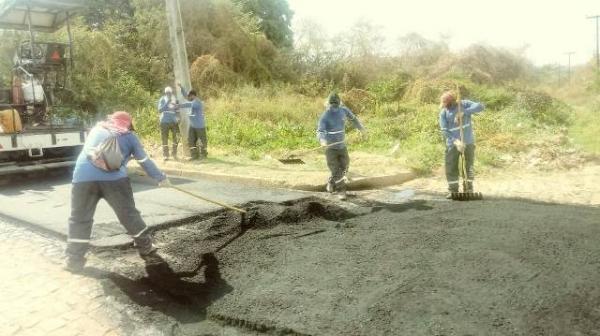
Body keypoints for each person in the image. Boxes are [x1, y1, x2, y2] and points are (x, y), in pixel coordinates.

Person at [65, 111, 171, 273]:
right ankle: (145, 247)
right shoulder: (129, 136)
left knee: (79, 219)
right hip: (114, 181)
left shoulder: (96, 129)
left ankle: (74, 261)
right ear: (128, 125)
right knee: (128, 214)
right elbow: (144, 160)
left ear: (111, 120)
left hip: (82, 178)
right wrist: (160, 178)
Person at [316, 92, 367, 200]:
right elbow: (320, 131)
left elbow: (354, 119)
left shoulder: (344, 110)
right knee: (336, 171)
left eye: (336, 105)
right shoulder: (325, 116)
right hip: (331, 149)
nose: (334, 107)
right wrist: (323, 141)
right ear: (328, 104)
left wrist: (361, 129)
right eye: (332, 105)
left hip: (342, 146)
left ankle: (331, 182)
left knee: (345, 166)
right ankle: (341, 191)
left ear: (339, 104)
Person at [438, 91, 485, 198]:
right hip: (453, 144)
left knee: (469, 166)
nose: (445, 106)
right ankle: (453, 190)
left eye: (446, 103)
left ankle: (469, 188)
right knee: (451, 166)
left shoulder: (464, 104)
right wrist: (456, 141)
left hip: (468, 142)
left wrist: (465, 112)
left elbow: (481, 106)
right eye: (443, 104)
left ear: (452, 101)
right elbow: (444, 130)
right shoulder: (444, 113)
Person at [177, 83, 207, 160]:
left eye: (190, 97)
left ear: (193, 96)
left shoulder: (197, 102)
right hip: (192, 125)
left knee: (202, 141)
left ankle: (203, 155)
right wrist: (181, 87)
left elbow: (188, 104)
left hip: (199, 125)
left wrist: (179, 106)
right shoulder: (192, 99)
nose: (188, 98)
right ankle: (194, 156)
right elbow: (186, 96)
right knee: (191, 140)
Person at [157, 86, 180, 161]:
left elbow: (177, 110)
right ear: (165, 93)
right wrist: (167, 102)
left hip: (174, 121)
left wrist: (178, 118)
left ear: (171, 92)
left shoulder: (175, 99)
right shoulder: (162, 99)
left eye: (169, 93)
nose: (168, 94)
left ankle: (174, 154)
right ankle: (166, 155)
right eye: (167, 93)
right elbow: (160, 110)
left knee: (176, 137)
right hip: (164, 121)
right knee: (164, 138)